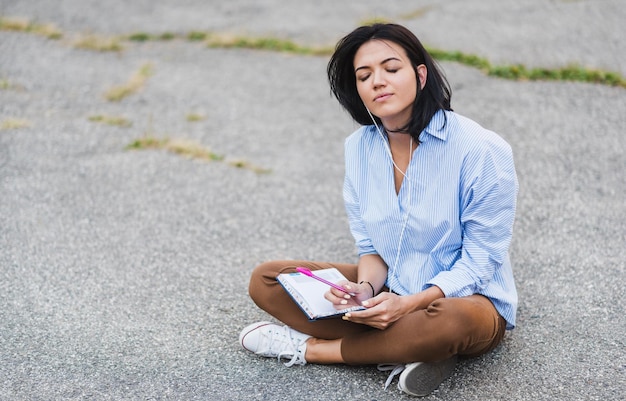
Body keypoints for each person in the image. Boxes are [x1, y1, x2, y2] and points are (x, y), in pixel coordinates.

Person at [238, 23, 518, 397]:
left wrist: (409, 305)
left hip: (466, 301)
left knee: (450, 323)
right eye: (364, 75)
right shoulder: (359, 148)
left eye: (391, 68)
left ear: (420, 75)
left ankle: (315, 349)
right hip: (391, 288)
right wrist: (363, 289)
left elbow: (481, 261)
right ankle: (411, 349)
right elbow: (370, 247)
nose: (377, 82)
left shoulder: (481, 149)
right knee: (269, 279)